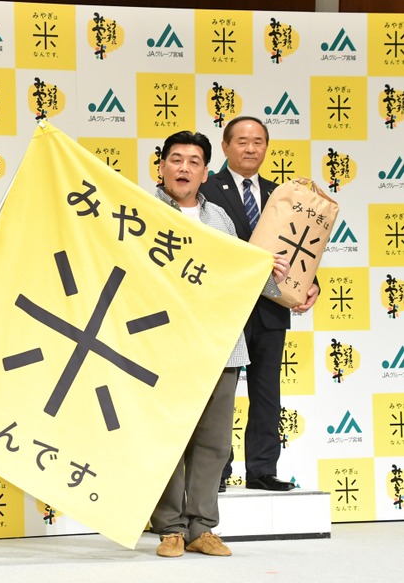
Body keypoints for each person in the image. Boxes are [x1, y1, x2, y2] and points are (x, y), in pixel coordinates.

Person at [150, 130, 288, 558]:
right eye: (176, 160)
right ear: (161, 167)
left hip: (219, 346)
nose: (184, 168)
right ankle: (169, 526)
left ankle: (201, 527)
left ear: (205, 172)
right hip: (159, 343)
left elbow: (240, 275)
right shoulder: (142, 210)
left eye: (193, 162)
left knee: (214, 442)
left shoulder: (221, 220)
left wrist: (275, 274)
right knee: (168, 436)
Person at [202, 116, 319, 493]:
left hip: (271, 307)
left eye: (258, 142)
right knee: (220, 392)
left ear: (267, 148)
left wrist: (310, 284)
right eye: (242, 141)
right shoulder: (207, 191)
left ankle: (263, 470)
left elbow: (302, 247)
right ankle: (216, 471)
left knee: (267, 390)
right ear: (225, 147)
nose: (251, 149)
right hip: (224, 307)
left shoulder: (284, 196)